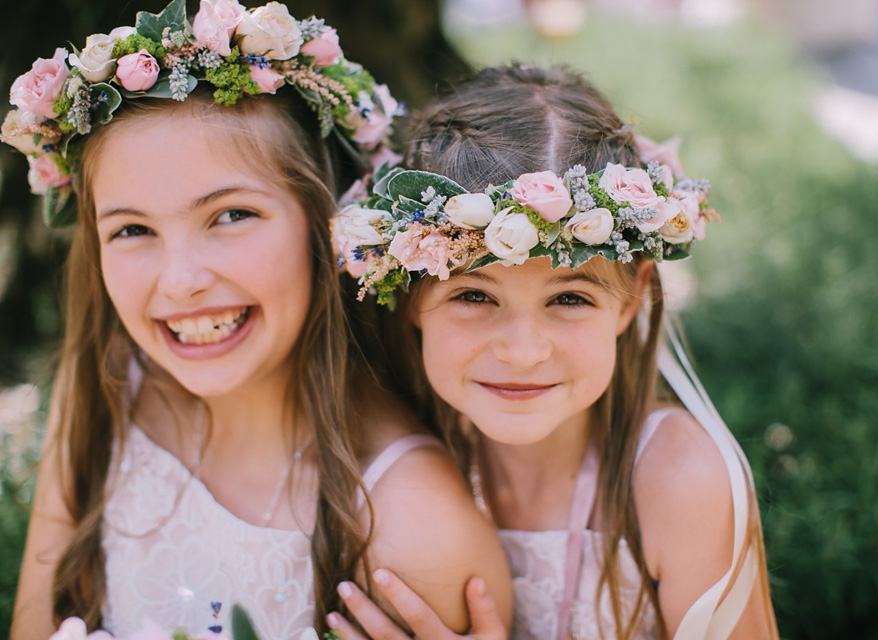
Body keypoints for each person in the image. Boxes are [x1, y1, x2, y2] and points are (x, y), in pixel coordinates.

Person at [4, 2, 510, 638]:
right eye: (132, 229)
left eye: (231, 215)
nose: (180, 280)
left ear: (329, 224)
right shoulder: (104, 397)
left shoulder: (412, 532)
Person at [329, 64, 779, 640]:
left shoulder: (679, 483)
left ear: (630, 296)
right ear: (412, 293)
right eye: (472, 294)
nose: (521, 351)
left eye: (568, 297)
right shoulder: (392, 459)